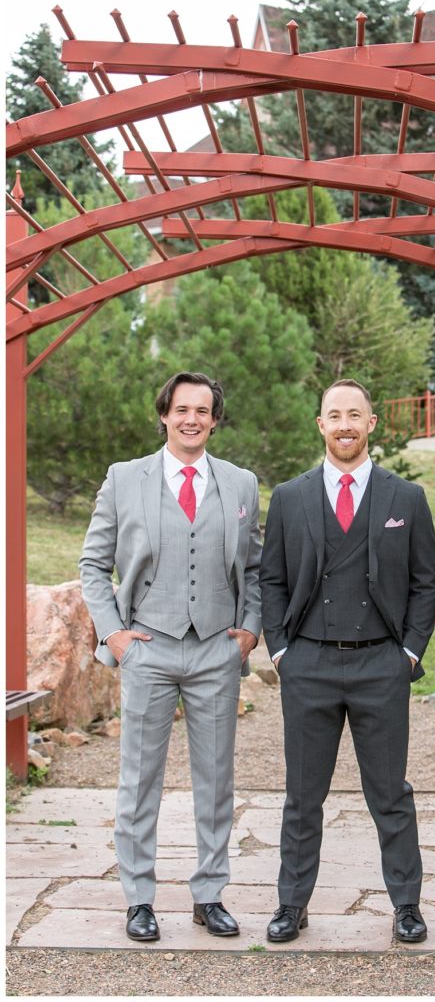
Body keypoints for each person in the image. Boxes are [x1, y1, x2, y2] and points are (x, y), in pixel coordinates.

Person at [79, 372, 261, 942]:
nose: (191, 419)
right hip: (148, 647)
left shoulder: (240, 483)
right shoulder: (124, 478)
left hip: (215, 649)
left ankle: (209, 894)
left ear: (214, 419)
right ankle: (139, 899)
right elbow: (93, 565)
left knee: (215, 779)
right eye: (181, 409)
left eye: (202, 411)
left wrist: (248, 631)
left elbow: (255, 568)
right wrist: (113, 634)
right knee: (139, 779)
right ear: (164, 414)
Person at [259, 379, 435, 944]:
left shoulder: (405, 498)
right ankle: (292, 905)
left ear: (371, 423)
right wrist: (281, 649)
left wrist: (409, 651)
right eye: (334, 415)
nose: (344, 424)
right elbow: (271, 579)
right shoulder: (290, 497)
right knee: (302, 794)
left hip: (380, 665)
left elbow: (424, 580)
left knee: (390, 794)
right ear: (320, 424)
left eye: (354, 415)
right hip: (307, 663)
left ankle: (406, 906)